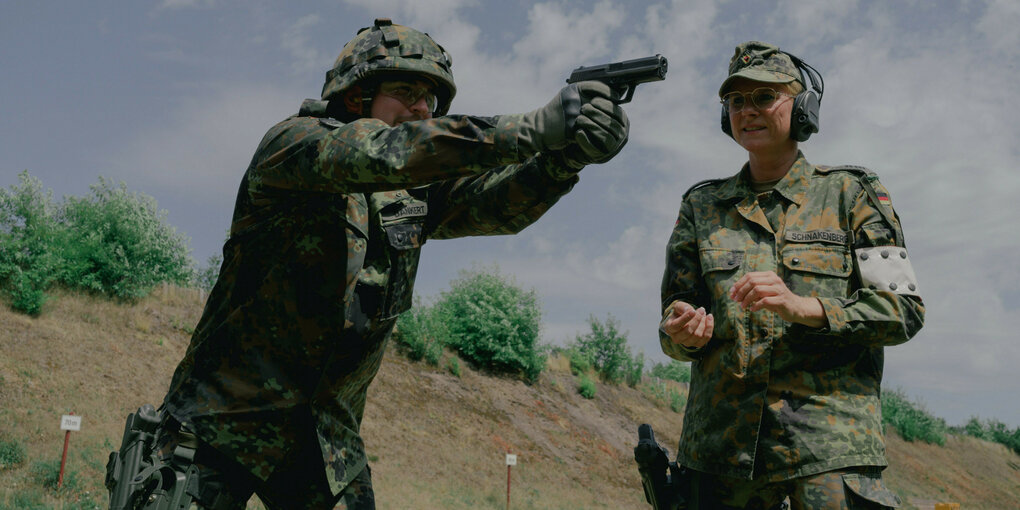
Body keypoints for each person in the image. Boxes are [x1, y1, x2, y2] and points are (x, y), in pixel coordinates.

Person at [108, 18, 628, 510]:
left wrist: (567, 156)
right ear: (356, 94)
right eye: (405, 92)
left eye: (431, 99)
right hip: (217, 426)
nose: (423, 108)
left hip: (324, 444)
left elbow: (496, 205)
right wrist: (533, 128)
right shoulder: (294, 145)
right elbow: (383, 154)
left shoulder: (410, 196)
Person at [658, 41, 924, 509]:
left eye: (764, 97)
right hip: (719, 460)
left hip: (824, 457)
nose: (748, 110)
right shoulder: (700, 207)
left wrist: (808, 308)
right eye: (736, 100)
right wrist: (683, 333)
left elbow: (904, 311)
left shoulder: (852, 194)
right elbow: (673, 325)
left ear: (801, 107)